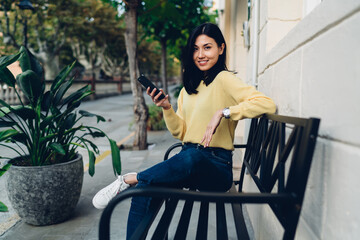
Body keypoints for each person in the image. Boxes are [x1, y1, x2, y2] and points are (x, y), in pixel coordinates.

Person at [92, 22, 276, 239]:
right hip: (188, 161)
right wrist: (167, 109)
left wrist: (223, 112)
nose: (201, 54)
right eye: (196, 49)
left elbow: (266, 104)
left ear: (221, 48)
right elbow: (181, 133)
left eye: (207, 47)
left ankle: (129, 178)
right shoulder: (188, 90)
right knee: (146, 187)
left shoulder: (225, 79)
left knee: (192, 157)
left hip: (216, 168)